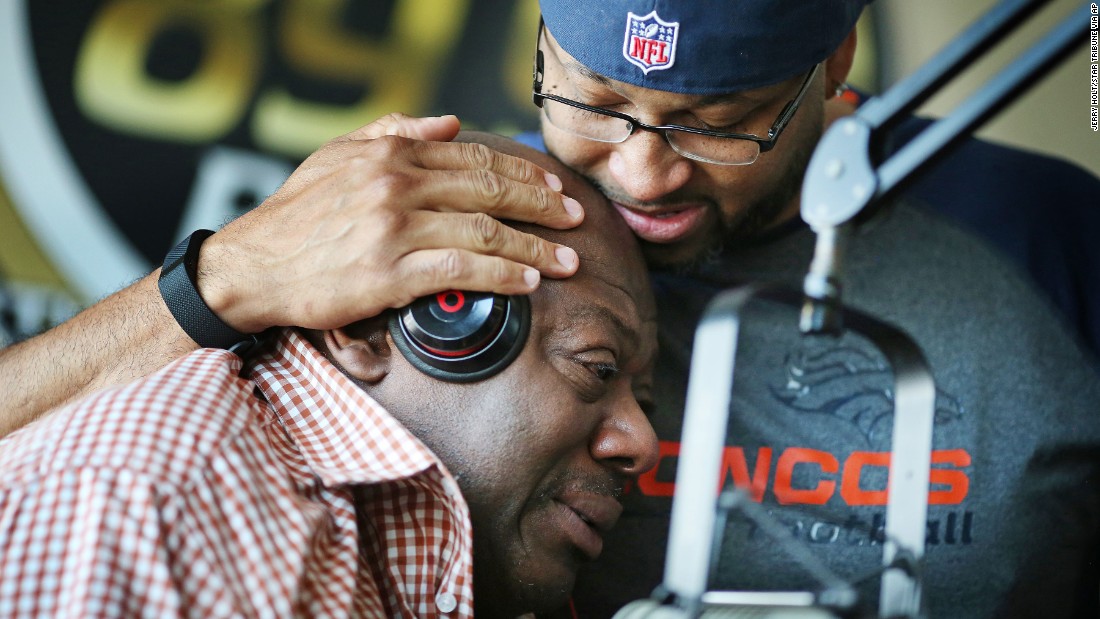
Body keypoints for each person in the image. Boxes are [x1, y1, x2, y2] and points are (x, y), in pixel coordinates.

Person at [2, 1, 1098, 617]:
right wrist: (223, 279)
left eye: (712, 121)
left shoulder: (1047, 243)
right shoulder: (424, 227)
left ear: (835, 64)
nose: (642, 172)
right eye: (592, 99)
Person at [0, 133, 659, 618]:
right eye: (596, 366)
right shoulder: (160, 500)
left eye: (646, 401)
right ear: (376, 329)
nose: (641, 442)